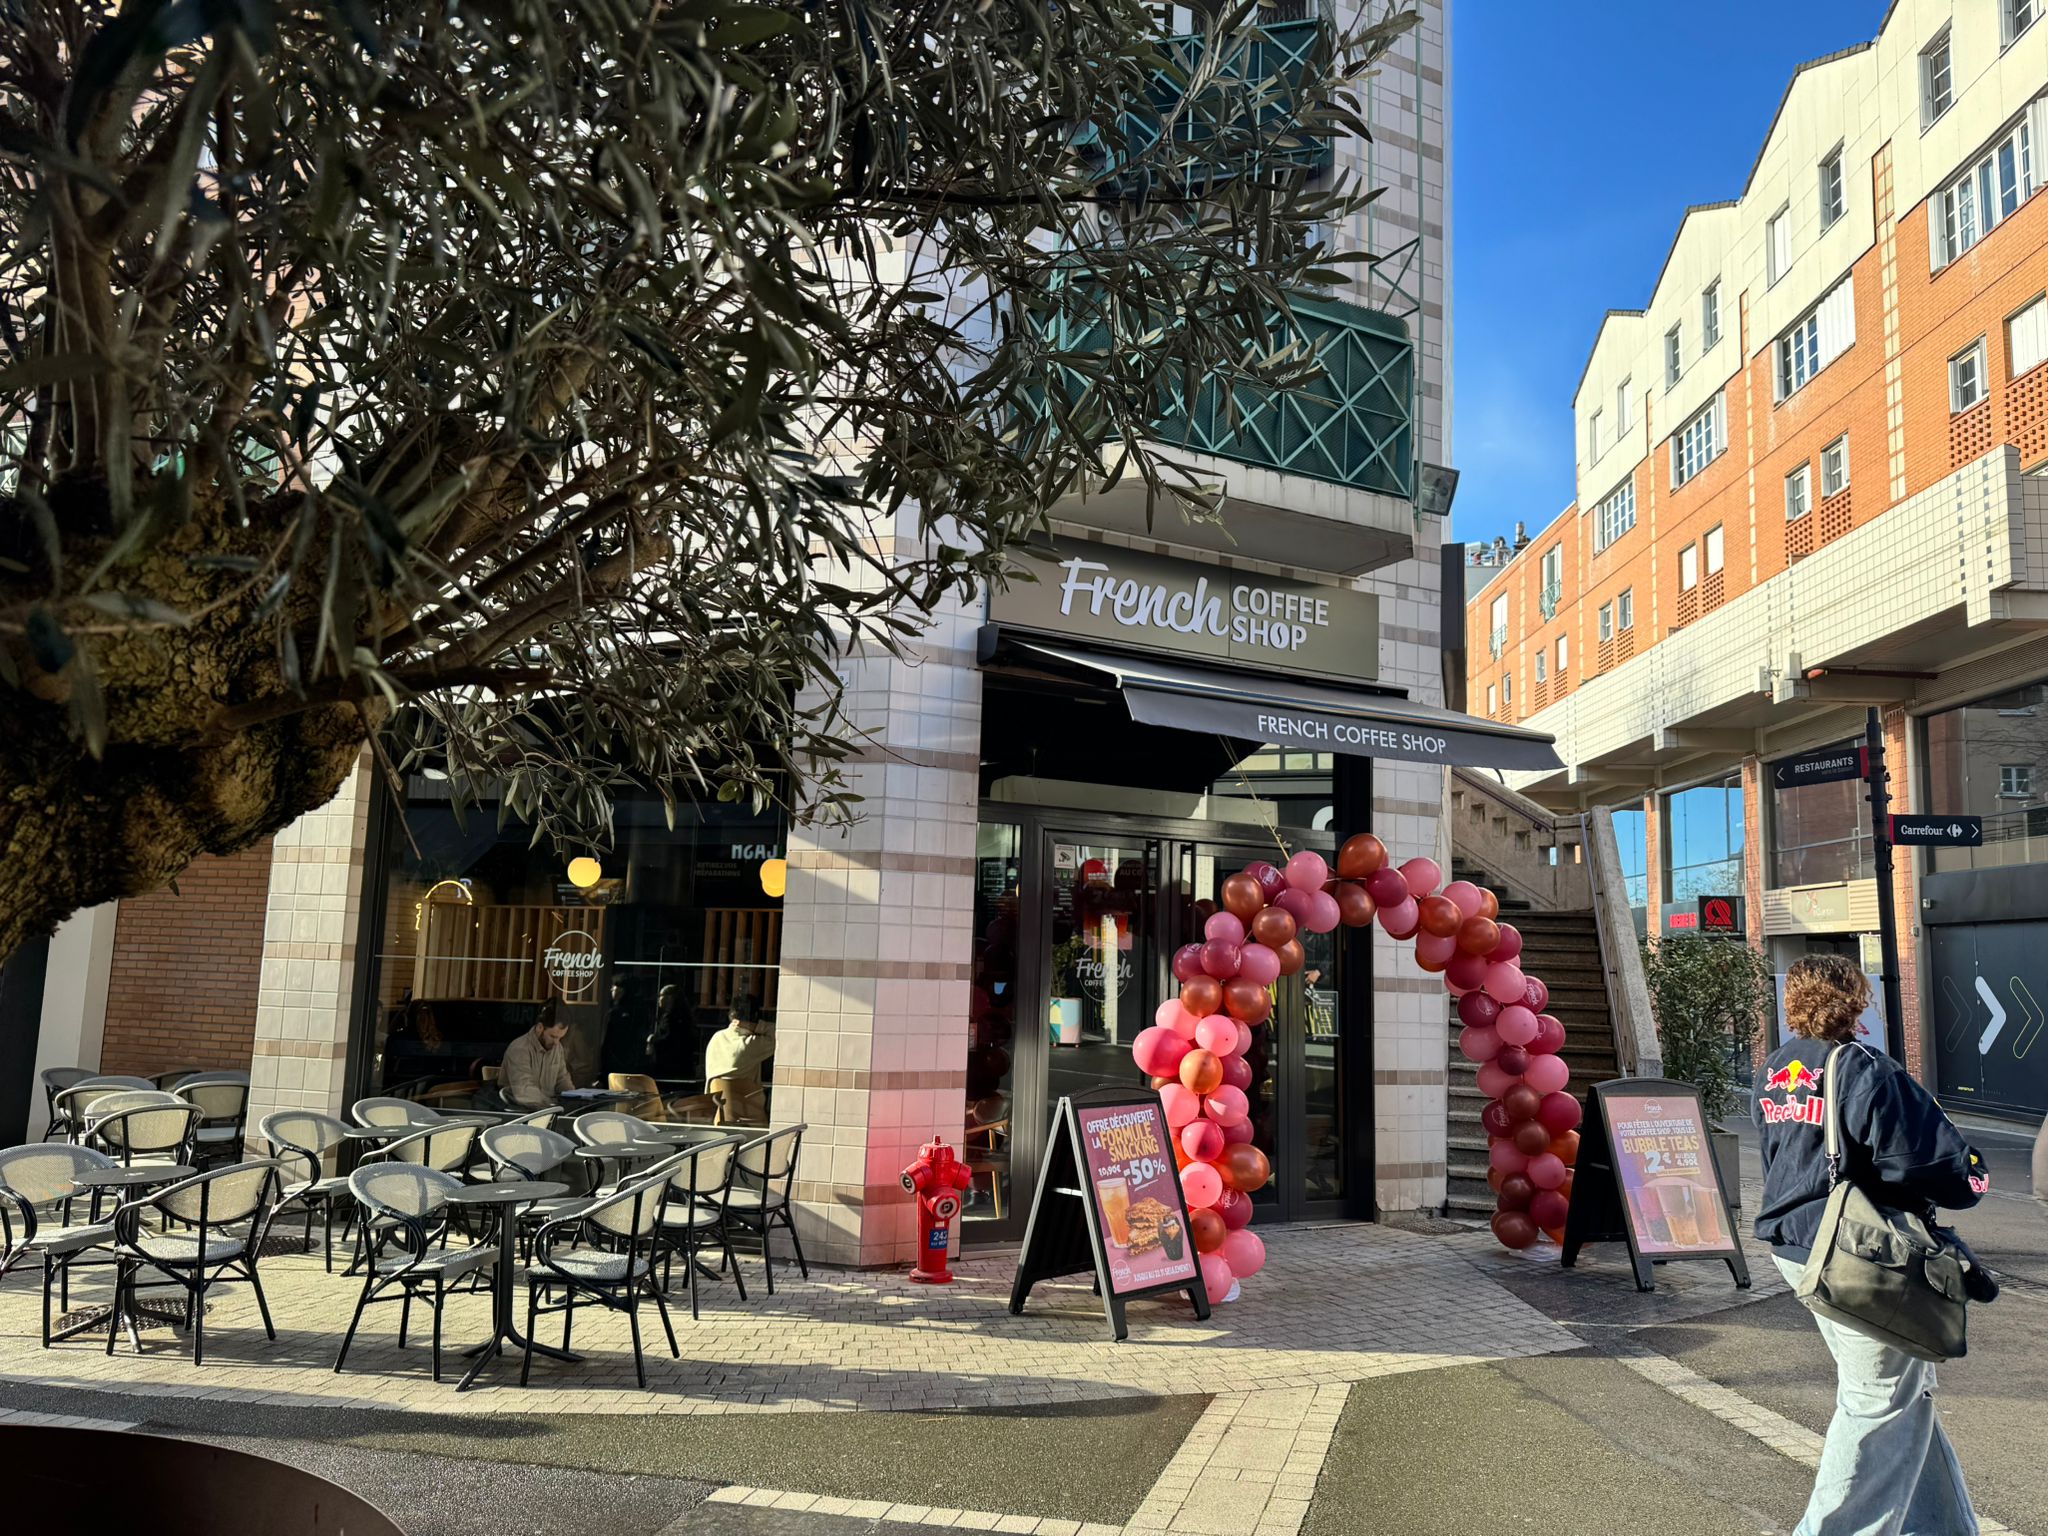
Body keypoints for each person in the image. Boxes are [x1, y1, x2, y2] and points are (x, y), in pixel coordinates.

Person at [1755, 954, 1991, 1536]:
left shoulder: (1776, 1068)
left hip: (1797, 1249)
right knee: (1877, 1401)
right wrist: (1974, 1175)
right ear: (1857, 999)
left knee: (1902, 1391)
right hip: (1860, 1257)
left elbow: (1779, 1156)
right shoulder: (1866, 1069)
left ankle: (1945, 1527)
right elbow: (1933, 1162)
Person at [705, 992, 774, 1123]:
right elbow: (782, 1033)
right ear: (755, 1017)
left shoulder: (716, 1038)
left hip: (720, 1118)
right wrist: (758, 1026)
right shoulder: (750, 1044)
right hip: (750, 1120)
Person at [501, 1004, 576, 1110]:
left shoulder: (557, 1048)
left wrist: (574, 1099)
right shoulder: (519, 1049)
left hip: (547, 1109)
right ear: (540, 1027)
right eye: (553, 1036)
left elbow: (562, 1080)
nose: (556, 1042)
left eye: (560, 1038)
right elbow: (524, 1091)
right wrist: (552, 1104)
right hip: (520, 1111)